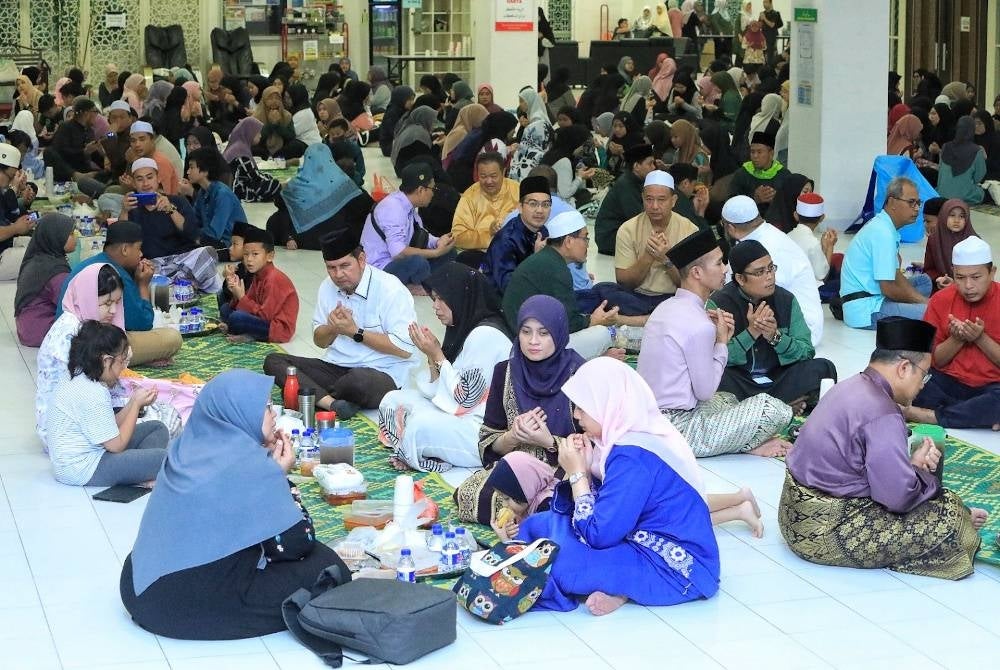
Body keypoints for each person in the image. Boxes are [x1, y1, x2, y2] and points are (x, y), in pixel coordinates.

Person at [121, 370, 346, 639]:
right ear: (239, 414)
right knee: (329, 566)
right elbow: (297, 542)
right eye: (265, 408)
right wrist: (278, 477)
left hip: (137, 587)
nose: (273, 415)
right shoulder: (248, 466)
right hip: (181, 606)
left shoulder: (186, 448)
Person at [780, 317, 987, 580]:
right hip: (822, 533)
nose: (922, 385)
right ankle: (963, 518)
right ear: (904, 368)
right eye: (924, 375)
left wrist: (910, 466)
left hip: (792, 515)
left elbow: (860, 465)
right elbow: (897, 498)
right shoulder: (883, 412)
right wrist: (922, 477)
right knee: (951, 515)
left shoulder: (850, 385)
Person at [516, 357, 720, 615]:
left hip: (671, 565)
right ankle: (621, 587)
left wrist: (578, 475)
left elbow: (599, 534)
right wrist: (587, 468)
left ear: (608, 404)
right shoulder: (625, 439)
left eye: (583, 407)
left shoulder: (632, 457)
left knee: (563, 565)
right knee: (539, 524)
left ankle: (623, 587)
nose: (576, 415)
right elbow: (609, 512)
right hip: (630, 537)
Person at [638, 229, 793, 457]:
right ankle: (745, 445)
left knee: (728, 400)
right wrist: (721, 342)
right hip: (676, 431)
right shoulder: (699, 324)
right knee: (773, 410)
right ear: (697, 272)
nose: (725, 269)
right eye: (719, 263)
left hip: (648, 418)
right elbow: (705, 391)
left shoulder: (666, 307)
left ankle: (739, 440)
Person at [452, 295, 585, 523]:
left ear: (559, 333)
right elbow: (488, 441)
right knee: (469, 494)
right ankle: (538, 512)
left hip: (564, 467)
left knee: (563, 498)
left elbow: (595, 443)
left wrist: (548, 442)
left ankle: (538, 510)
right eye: (526, 332)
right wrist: (513, 436)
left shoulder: (580, 374)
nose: (533, 341)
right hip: (517, 466)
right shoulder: (505, 372)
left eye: (543, 333)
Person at [262, 228, 419, 419]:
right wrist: (333, 328)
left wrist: (355, 332)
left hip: (381, 373)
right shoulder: (327, 286)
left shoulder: (390, 289)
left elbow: (404, 349)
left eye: (345, 266)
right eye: (331, 268)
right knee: (274, 361)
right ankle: (332, 404)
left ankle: (309, 393)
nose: (338, 274)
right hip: (336, 367)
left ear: (361, 260)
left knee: (358, 382)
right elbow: (320, 341)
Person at [378, 263, 512, 472]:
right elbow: (437, 391)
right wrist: (431, 356)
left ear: (460, 298)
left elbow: (467, 399)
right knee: (392, 400)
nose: (435, 306)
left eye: (442, 299)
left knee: (418, 426)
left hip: (481, 431)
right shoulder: (464, 326)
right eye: (434, 299)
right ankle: (422, 449)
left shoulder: (486, 335)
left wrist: (437, 355)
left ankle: (426, 454)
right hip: (458, 414)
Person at [709, 239, 836, 411]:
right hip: (741, 383)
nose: (769, 276)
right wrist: (751, 333)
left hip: (778, 380)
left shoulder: (786, 300)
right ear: (740, 278)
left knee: (823, 368)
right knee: (716, 377)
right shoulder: (718, 304)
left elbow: (807, 352)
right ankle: (783, 406)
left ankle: (762, 410)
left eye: (771, 268)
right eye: (760, 272)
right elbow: (713, 358)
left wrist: (775, 337)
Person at [47, 320, 168, 486]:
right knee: (166, 458)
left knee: (157, 428)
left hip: (91, 456)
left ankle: (138, 473)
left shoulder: (77, 375)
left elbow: (107, 427)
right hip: (83, 468)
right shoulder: (93, 392)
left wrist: (134, 401)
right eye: (122, 361)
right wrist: (135, 406)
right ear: (106, 360)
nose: (123, 368)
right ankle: (139, 473)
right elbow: (116, 446)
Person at [904, 237, 1000, 430]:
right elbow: (935, 361)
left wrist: (980, 338)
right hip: (947, 384)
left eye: (976, 277)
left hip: (992, 386)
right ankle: (973, 416)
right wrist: (956, 339)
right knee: (909, 379)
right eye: (960, 278)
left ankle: (931, 415)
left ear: (992, 272)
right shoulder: (940, 300)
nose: (968, 285)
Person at [505, 211, 627, 360]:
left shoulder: (547, 260)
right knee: (603, 334)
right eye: (585, 238)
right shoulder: (556, 268)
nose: (588, 245)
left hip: (527, 336)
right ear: (568, 241)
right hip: (530, 345)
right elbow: (569, 324)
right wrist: (594, 320)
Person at [59, 222, 183, 366]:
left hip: (70, 340)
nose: (141, 254)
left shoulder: (90, 263)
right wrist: (143, 285)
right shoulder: (115, 273)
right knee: (172, 338)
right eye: (139, 248)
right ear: (125, 249)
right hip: (93, 347)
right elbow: (143, 324)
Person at [37, 264, 128, 447]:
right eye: (107, 303)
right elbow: (84, 391)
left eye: (117, 302)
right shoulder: (71, 332)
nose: (113, 310)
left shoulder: (85, 325)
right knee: (153, 419)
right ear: (87, 299)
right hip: (66, 435)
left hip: (74, 422)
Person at [722, 195, 824, 345]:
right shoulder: (765, 236)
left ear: (730, 228)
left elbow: (757, 293)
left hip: (800, 331)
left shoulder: (764, 247)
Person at [119, 158, 222, 295]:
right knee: (134, 271)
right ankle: (185, 284)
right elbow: (122, 243)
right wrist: (124, 211)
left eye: (150, 177)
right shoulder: (131, 208)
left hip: (183, 259)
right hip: (153, 264)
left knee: (206, 253)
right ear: (134, 183)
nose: (146, 183)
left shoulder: (177, 201)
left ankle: (176, 284)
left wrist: (171, 210)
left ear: (158, 178)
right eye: (140, 179)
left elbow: (193, 234)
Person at [840, 177, 931, 328]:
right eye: (911, 202)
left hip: (878, 296)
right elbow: (888, 288)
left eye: (918, 203)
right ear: (892, 202)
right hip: (866, 308)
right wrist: (925, 302)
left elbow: (896, 276)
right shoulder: (883, 232)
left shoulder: (885, 226)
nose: (916, 208)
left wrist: (921, 300)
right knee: (930, 313)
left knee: (924, 282)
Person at [605, 170, 698, 316]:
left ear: (673, 200)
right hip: (636, 297)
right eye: (649, 199)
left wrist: (666, 259)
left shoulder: (689, 230)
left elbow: (691, 285)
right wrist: (648, 256)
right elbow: (624, 282)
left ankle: (642, 318)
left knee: (689, 306)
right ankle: (653, 317)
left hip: (673, 299)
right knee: (606, 291)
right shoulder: (628, 229)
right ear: (642, 198)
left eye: (661, 200)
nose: (654, 206)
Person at [360, 162, 455, 293]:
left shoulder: (408, 205)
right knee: (419, 263)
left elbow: (419, 234)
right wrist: (435, 253)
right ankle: (421, 283)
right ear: (421, 190)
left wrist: (438, 242)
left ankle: (420, 283)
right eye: (433, 189)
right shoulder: (393, 208)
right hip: (380, 269)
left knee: (449, 252)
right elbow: (398, 252)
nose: (433, 194)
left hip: (398, 263)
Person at [269, 143, 373, 251]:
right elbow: (367, 205)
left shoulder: (296, 184)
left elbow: (279, 202)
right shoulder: (343, 182)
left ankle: (289, 238)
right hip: (339, 237)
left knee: (277, 218)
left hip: (304, 239)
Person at [220, 228, 297, 344]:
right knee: (225, 309)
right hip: (261, 319)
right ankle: (243, 331)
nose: (249, 259)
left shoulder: (274, 278)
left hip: (277, 328)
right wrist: (236, 294)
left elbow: (266, 316)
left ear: (270, 256)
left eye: (255, 254)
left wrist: (241, 297)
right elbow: (250, 303)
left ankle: (248, 333)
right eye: (246, 254)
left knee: (237, 318)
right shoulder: (258, 274)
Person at [480, 175, 553, 294]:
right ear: (520, 207)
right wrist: (536, 260)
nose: (540, 210)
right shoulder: (506, 240)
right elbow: (510, 288)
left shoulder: (543, 231)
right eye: (533, 204)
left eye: (545, 204)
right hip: (499, 300)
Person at [15, 214, 75, 347]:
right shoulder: (55, 271)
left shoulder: (38, 259)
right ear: (56, 237)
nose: (75, 237)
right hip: (40, 332)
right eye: (71, 234)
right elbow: (70, 305)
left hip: (26, 326)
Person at [451, 152, 520, 254]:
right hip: (481, 254)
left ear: (503, 172)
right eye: (483, 176)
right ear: (477, 175)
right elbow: (457, 236)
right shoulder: (470, 196)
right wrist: (489, 234)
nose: (489, 181)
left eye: (493, 176)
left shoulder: (518, 190)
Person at [595, 143, 656, 255]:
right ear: (636, 166)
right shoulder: (626, 185)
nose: (654, 167)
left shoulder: (636, 181)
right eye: (650, 163)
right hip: (610, 238)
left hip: (619, 233)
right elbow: (638, 218)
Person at [187, 147, 247, 256]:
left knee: (189, 248)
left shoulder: (222, 194)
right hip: (213, 241)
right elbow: (193, 221)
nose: (188, 172)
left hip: (230, 245)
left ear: (205, 171)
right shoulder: (202, 192)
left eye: (191, 167)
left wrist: (194, 235)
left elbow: (214, 233)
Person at [45, 98, 107, 197]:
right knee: (48, 152)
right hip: (67, 170)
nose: (97, 115)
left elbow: (94, 155)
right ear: (86, 113)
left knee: (108, 173)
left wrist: (103, 156)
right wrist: (83, 152)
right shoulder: (65, 127)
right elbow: (61, 152)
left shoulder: (89, 130)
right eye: (95, 112)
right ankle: (76, 176)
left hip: (84, 170)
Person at [728, 132, 789, 217]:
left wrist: (777, 200)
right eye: (752, 152)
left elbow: (791, 205)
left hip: (776, 222)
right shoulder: (742, 174)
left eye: (759, 152)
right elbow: (730, 203)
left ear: (771, 154)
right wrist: (754, 199)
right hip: (748, 221)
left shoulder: (784, 175)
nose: (755, 156)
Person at [922, 198, 978, 291]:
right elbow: (929, 269)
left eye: (962, 216)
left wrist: (958, 283)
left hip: (970, 289)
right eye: (952, 215)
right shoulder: (934, 240)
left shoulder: (975, 242)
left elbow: (980, 274)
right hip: (942, 288)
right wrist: (939, 279)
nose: (956, 220)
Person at [0, 144, 36, 281]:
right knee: (42, 256)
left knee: (41, 243)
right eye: (10, 176)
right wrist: (16, 228)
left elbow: (9, 216)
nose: (11, 181)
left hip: (5, 246)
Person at [224, 117, 281, 202]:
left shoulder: (239, 146)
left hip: (239, 185)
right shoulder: (240, 151)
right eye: (258, 133)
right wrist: (276, 182)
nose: (260, 136)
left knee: (269, 180)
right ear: (250, 133)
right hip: (239, 190)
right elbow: (254, 176)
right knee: (274, 185)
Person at [787, 192, 837, 283]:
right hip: (805, 287)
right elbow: (823, 277)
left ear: (795, 215)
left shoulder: (787, 236)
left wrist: (823, 248)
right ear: (822, 218)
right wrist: (830, 247)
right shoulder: (813, 243)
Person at [936, 116, 987, 205]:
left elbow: (940, 170)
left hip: (941, 194)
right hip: (964, 196)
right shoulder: (977, 151)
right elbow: (978, 178)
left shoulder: (945, 146)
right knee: (982, 192)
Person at [510, 88, 554, 181]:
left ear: (530, 101)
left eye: (522, 101)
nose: (520, 104)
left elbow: (533, 149)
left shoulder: (537, 121)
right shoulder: (537, 118)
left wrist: (517, 150)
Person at [125, 121, 179, 196]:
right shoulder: (139, 158)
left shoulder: (160, 162)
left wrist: (133, 187)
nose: (137, 144)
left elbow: (164, 196)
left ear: (152, 140)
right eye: (133, 141)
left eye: (142, 139)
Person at [668, 163, 709, 230]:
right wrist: (701, 211)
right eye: (694, 185)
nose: (693, 190)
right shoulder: (682, 202)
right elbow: (699, 233)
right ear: (685, 183)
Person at [379, 86, 415, 157]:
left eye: (413, 99)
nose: (412, 102)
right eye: (409, 100)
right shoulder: (392, 112)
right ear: (401, 99)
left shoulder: (404, 110)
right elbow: (394, 132)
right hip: (389, 146)